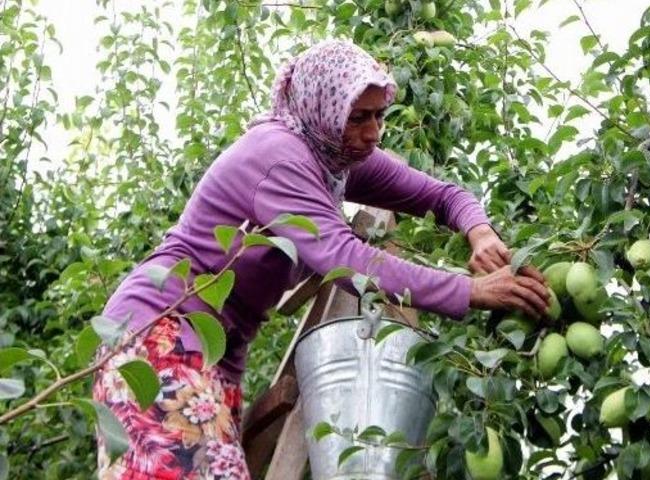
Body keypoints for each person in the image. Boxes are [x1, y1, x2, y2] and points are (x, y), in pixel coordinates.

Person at [92, 40, 550, 479]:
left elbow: (442, 194)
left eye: (379, 116)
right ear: (323, 107)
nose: (373, 133)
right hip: (159, 333)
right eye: (358, 117)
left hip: (212, 355)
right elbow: (345, 259)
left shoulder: (334, 154)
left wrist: (480, 232)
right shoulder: (280, 157)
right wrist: (469, 291)